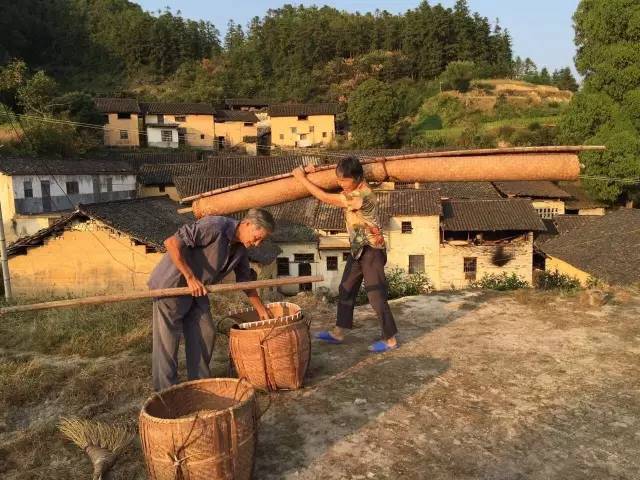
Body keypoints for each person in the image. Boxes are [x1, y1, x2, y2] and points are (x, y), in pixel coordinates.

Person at [148, 208, 275, 391]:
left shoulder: (240, 250)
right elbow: (172, 243)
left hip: (198, 291)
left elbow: (245, 281)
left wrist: (261, 310)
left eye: (261, 240)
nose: (257, 244)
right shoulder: (215, 226)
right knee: (167, 341)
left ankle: (199, 385)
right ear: (247, 224)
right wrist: (190, 278)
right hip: (172, 284)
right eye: (257, 237)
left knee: (206, 331)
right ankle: (166, 391)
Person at [292, 157, 398, 353]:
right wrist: (312, 173)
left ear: (358, 177)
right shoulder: (351, 189)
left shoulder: (362, 195)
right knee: (346, 288)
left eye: (344, 181)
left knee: (376, 294)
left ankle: (390, 339)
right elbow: (332, 190)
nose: (340, 184)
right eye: (338, 180)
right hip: (358, 248)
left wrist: (301, 178)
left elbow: (324, 198)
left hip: (372, 249)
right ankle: (338, 332)